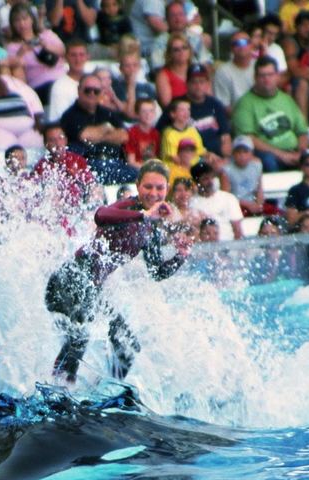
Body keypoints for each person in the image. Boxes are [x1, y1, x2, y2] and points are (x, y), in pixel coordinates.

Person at [44, 159, 193, 384]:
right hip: (69, 279)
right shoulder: (128, 206)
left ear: (167, 189)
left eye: (159, 188)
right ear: (137, 185)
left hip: (91, 291)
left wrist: (180, 256)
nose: (153, 193)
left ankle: (106, 389)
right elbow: (101, 215)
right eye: (148, 187)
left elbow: (156, 272)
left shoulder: (151, 228)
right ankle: (58, 392)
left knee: (128, 346)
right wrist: (144, 215)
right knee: (81, 336)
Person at [233, 56, 309, 172]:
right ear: (255, 77)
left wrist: (301, 152)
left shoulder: (286, 99)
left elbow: (302, 132)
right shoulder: (244, 104)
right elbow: (249, 138)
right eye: (262, 75)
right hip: (271, 155)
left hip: (294, 152)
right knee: (268, 161)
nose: (266, 79)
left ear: (277, 76)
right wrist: (281, 154)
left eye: (270, 75)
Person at [59, 72, 137, 185]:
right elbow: (85, 136)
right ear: (79, 90)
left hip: (115, 162)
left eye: (96, 91)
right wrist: (107, 128)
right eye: (88, 90)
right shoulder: (70, 115)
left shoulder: (107, 113)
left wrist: (97, 135)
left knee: (140, 176)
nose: (92, 94)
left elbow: (124, 136)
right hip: (87, 165)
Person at [31, 123, 100, 232]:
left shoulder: (77, 161)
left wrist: (76, 177)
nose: (58, 144)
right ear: (46, 144)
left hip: (78, 209)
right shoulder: (41, 167)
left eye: (60, 138)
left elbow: (92, 186)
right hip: (56, 213)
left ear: (66, 140)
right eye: (53, 140)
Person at [5, 3, 66, 104]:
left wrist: (46, 46)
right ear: (13, 24)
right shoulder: (12, 46)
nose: (22, 24)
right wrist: (21, 53)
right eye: (17, 20)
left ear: (32, 19)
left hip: (60, 78)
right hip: (39, 84)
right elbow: (15, 67)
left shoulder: (46, 34)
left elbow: (63, 51)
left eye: (25, 19)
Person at [149, 1, 213, 73]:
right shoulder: (160, 42)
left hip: (196, 78)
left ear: (186, 17)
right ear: (167, 19)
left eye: (180, 14)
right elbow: (158, 68)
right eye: (173, 15)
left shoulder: (195, 37)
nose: (178, 19)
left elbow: (207, 62)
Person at [191, 160, 245, 240]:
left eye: (211, 177)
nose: (210, 182)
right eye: (205, 179)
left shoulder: (228, 198)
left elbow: (238, 230)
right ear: (196, 182)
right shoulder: (191, 203)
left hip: (228, 246)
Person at [214, 31, 257, 111]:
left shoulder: (259, 66)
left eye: (244, 42)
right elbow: (223, 106)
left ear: (251, 45)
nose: (241, 46)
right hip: (237, 117)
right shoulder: (223, 72)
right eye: (236, 44)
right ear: (231, 48)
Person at [47, 40, 89, 122]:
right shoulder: (60, 86)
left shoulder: (94, 81)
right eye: (73, 55)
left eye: (82, 55)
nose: (78, 59)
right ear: (66, 58)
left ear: (87, 57)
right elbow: (61, 118)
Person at [223, 135, 265, 216]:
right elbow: (226, 196)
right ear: (233, 154)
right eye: (238, 152)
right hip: (237, 205)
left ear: (251, 153)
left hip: (254, 203)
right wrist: (248, 205)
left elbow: (259, 189)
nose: (242, 156)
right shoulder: (227, 170)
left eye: (245, 152)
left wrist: (259, 204)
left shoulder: (257, 165)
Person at [112, 51, 156, 121]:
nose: (132, 69)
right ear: (121, 69)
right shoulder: (116, 87)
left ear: (139, 67)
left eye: (135, 65)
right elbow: (130, 113)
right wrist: (131, 86)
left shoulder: (148, 87)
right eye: (127, 66)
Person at [155, 33, 192, 109]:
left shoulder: (198, 70)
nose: (181, 52)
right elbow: (167, 105)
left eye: (184, 48)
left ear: (190, 50)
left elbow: (209, 97)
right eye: (176, 50)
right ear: (170, 53)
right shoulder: (163, 75)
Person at [124, 98, 160, 168]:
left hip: (152, 167)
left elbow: (157, 157)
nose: (148, 114)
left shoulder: (156, 133)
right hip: (137, 169)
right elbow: (131, 162)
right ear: (137, 114)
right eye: (144, 111)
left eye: (151, 111)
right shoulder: (132, 133)